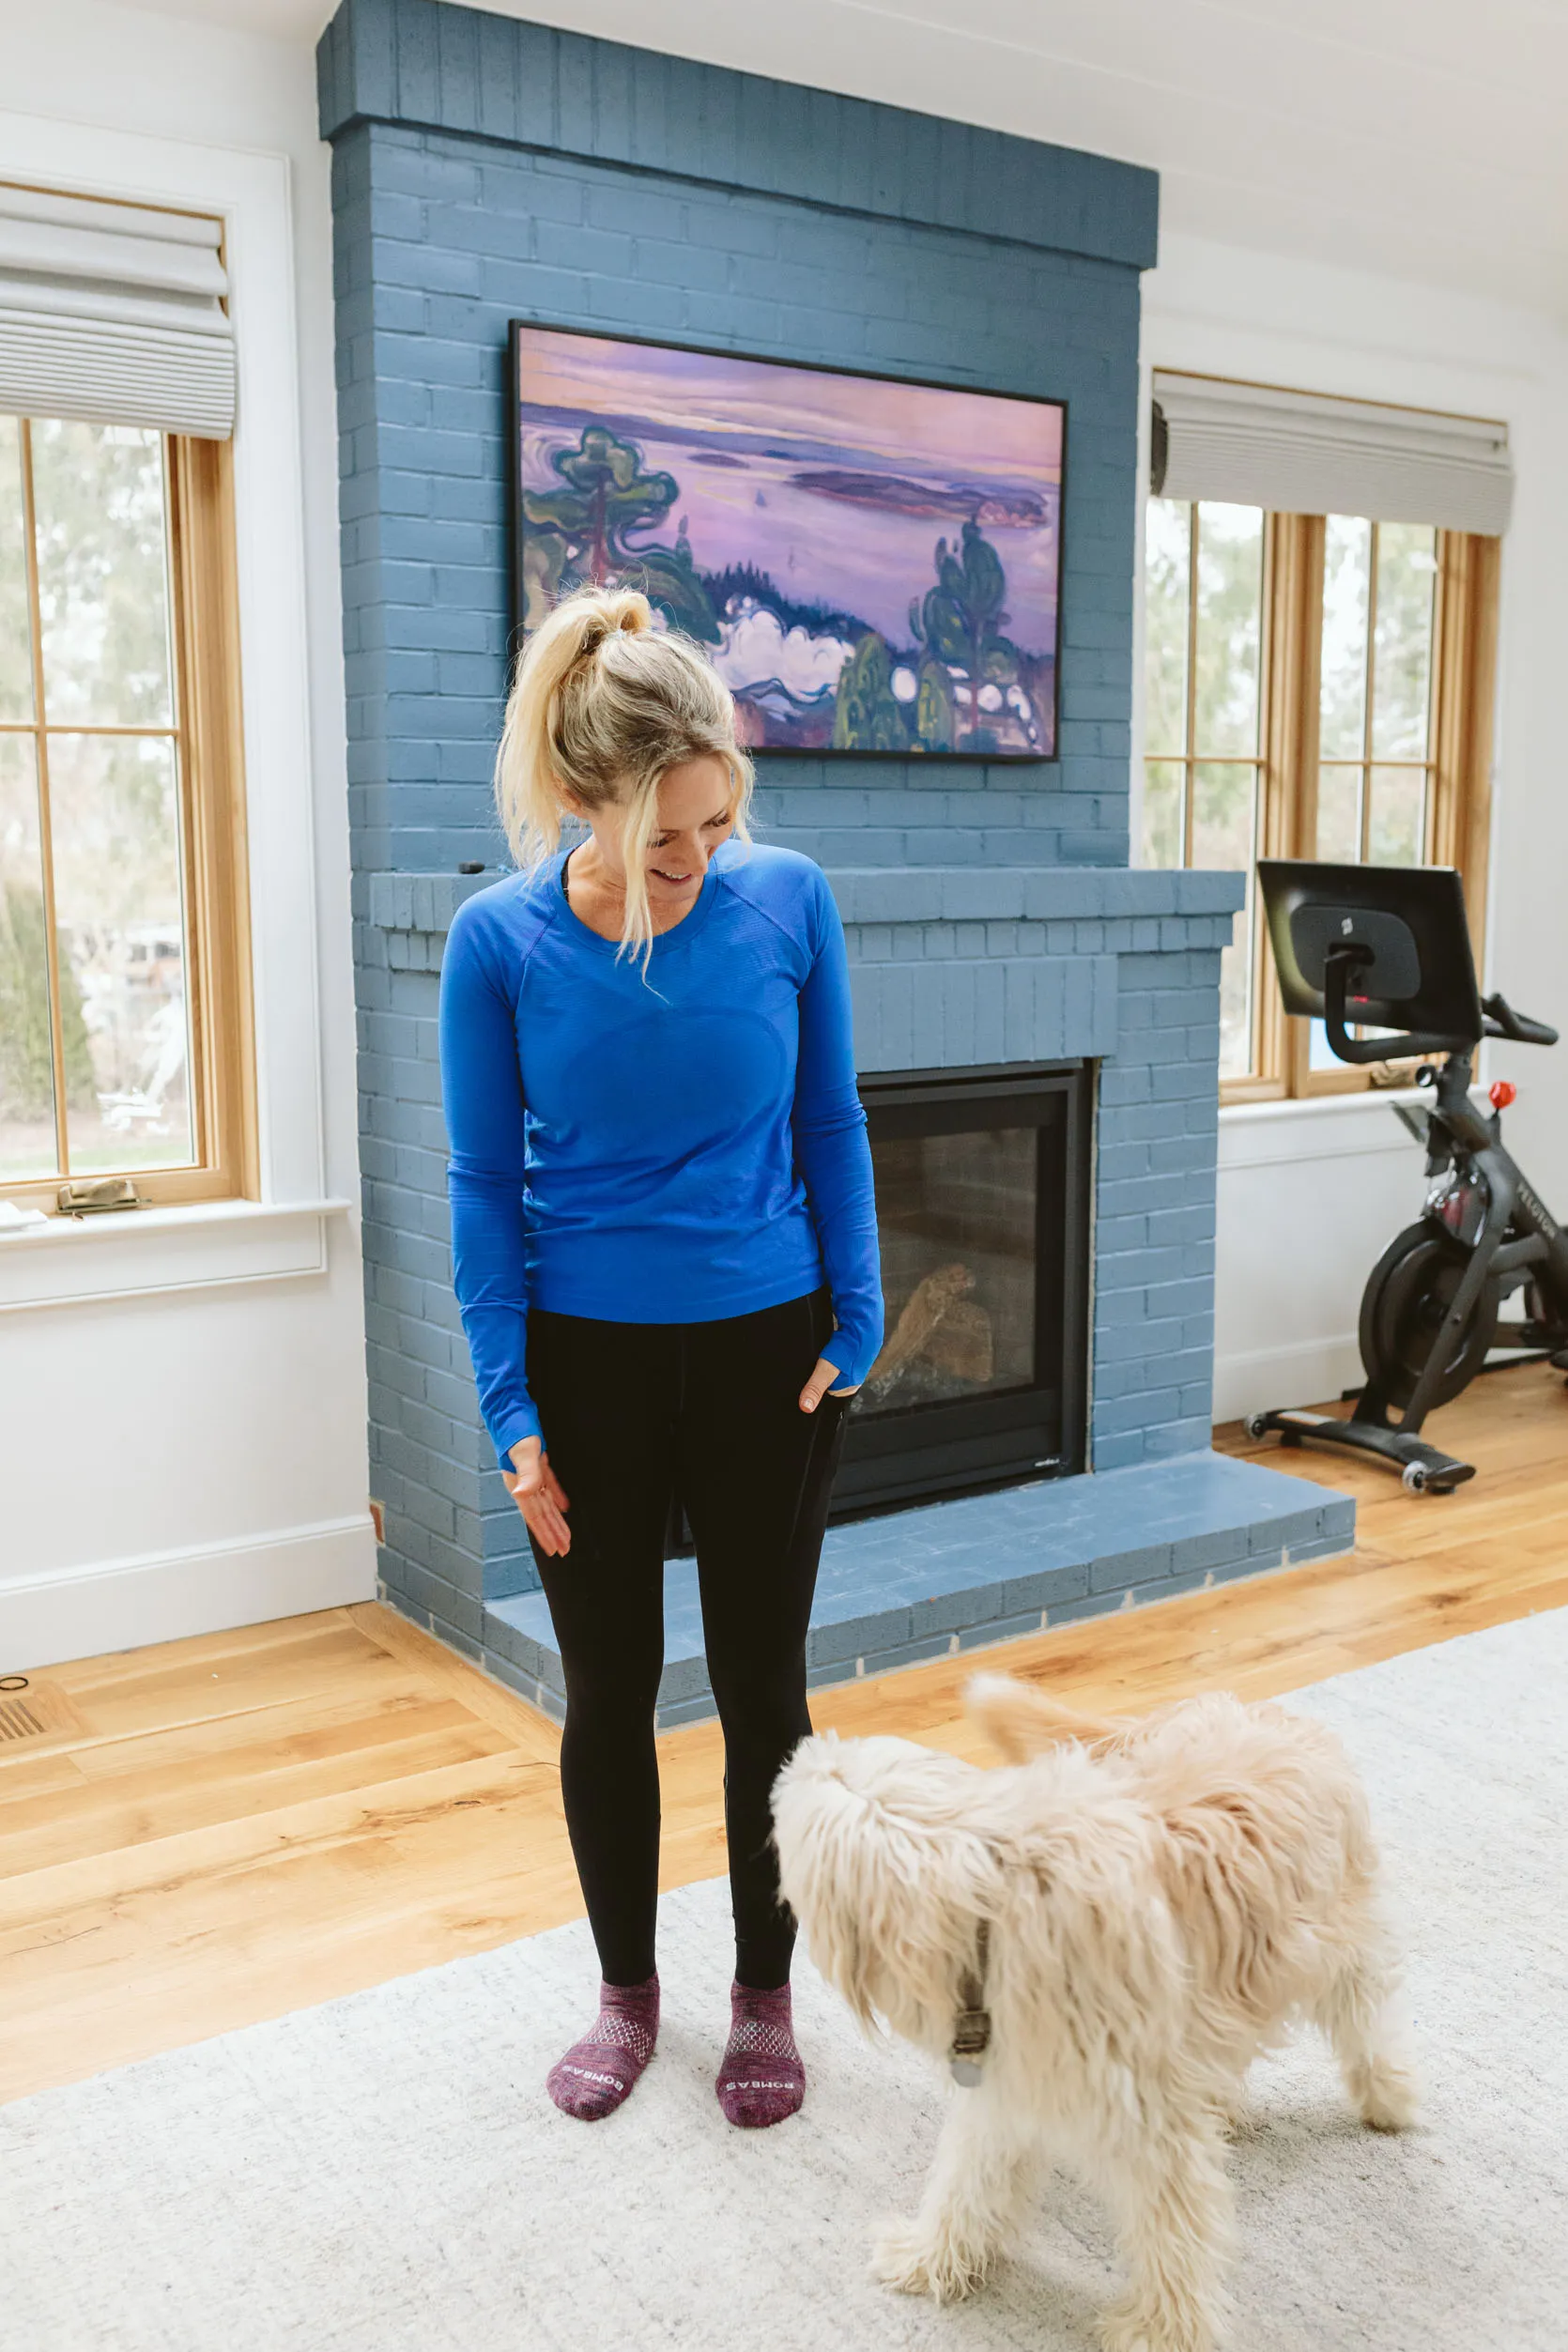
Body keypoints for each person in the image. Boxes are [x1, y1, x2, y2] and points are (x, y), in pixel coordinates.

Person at [438, 587, 883, 2129]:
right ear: (583, 802)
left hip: (773, 1354)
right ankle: (627, 1994)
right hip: (584, 1368)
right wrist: (510, 1408)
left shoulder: (789, 900)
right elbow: (483, 1186)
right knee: (608, 1690)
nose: (700, 857)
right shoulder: (496, 944)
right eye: (667, 832)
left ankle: (765, 1993)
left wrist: (861, 1309)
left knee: (767, 1687)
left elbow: (828, 1117)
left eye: (715, 819)